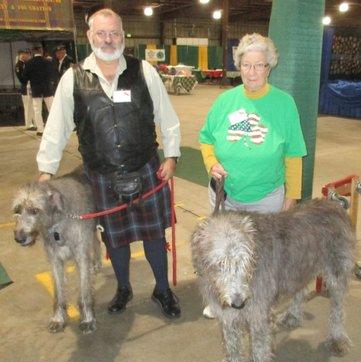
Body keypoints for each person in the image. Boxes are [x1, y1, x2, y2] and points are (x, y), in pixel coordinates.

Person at [36, 8, 181, 319]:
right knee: (115, 238)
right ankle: (124, 288)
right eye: (101, 33)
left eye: (114, 32)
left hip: (146, 167)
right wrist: (46, 169)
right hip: (102, 174)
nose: (108, 39)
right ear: (89, 36)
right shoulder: (72, 78)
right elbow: (57, 127)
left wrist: (171, 155)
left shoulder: (145, 71)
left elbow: (167, 117)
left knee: (154, 234)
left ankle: (162, 289)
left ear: (123, 35)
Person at [199, 33, 307, 318]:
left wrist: (292, 196)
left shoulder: (284, 104)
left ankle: (259, 304)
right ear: (239, 66)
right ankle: (221, 298)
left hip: (266, 200)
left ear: (269, 67)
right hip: (227, 197)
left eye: (259, 65)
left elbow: (294, 154)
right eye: (246, 65)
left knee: (261, 258)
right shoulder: (225, 101)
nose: (252, 72)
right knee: (224, 253)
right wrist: (211, 162)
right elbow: (206, 138)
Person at [23, 45, 54, 136]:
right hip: (47, 88)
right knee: (51, 108)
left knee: (37, 109)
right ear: (41, 51)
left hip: (36, 88)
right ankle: (54, 128)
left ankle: (40, 130)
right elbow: (52, 74)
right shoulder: (48, 62)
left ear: (33, 52)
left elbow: (25, 77)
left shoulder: (29, 63)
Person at [15, 49, 36, 131]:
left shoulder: (27, 63)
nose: (27, 56)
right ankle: (29, 124)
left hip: (31, 87)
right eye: (25, 54)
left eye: (27, 54)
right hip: (25, 87)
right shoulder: (19, 65)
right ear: (21, 55)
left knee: (33, 106)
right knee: (28, 106)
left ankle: (35, 122)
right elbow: (21, 78)